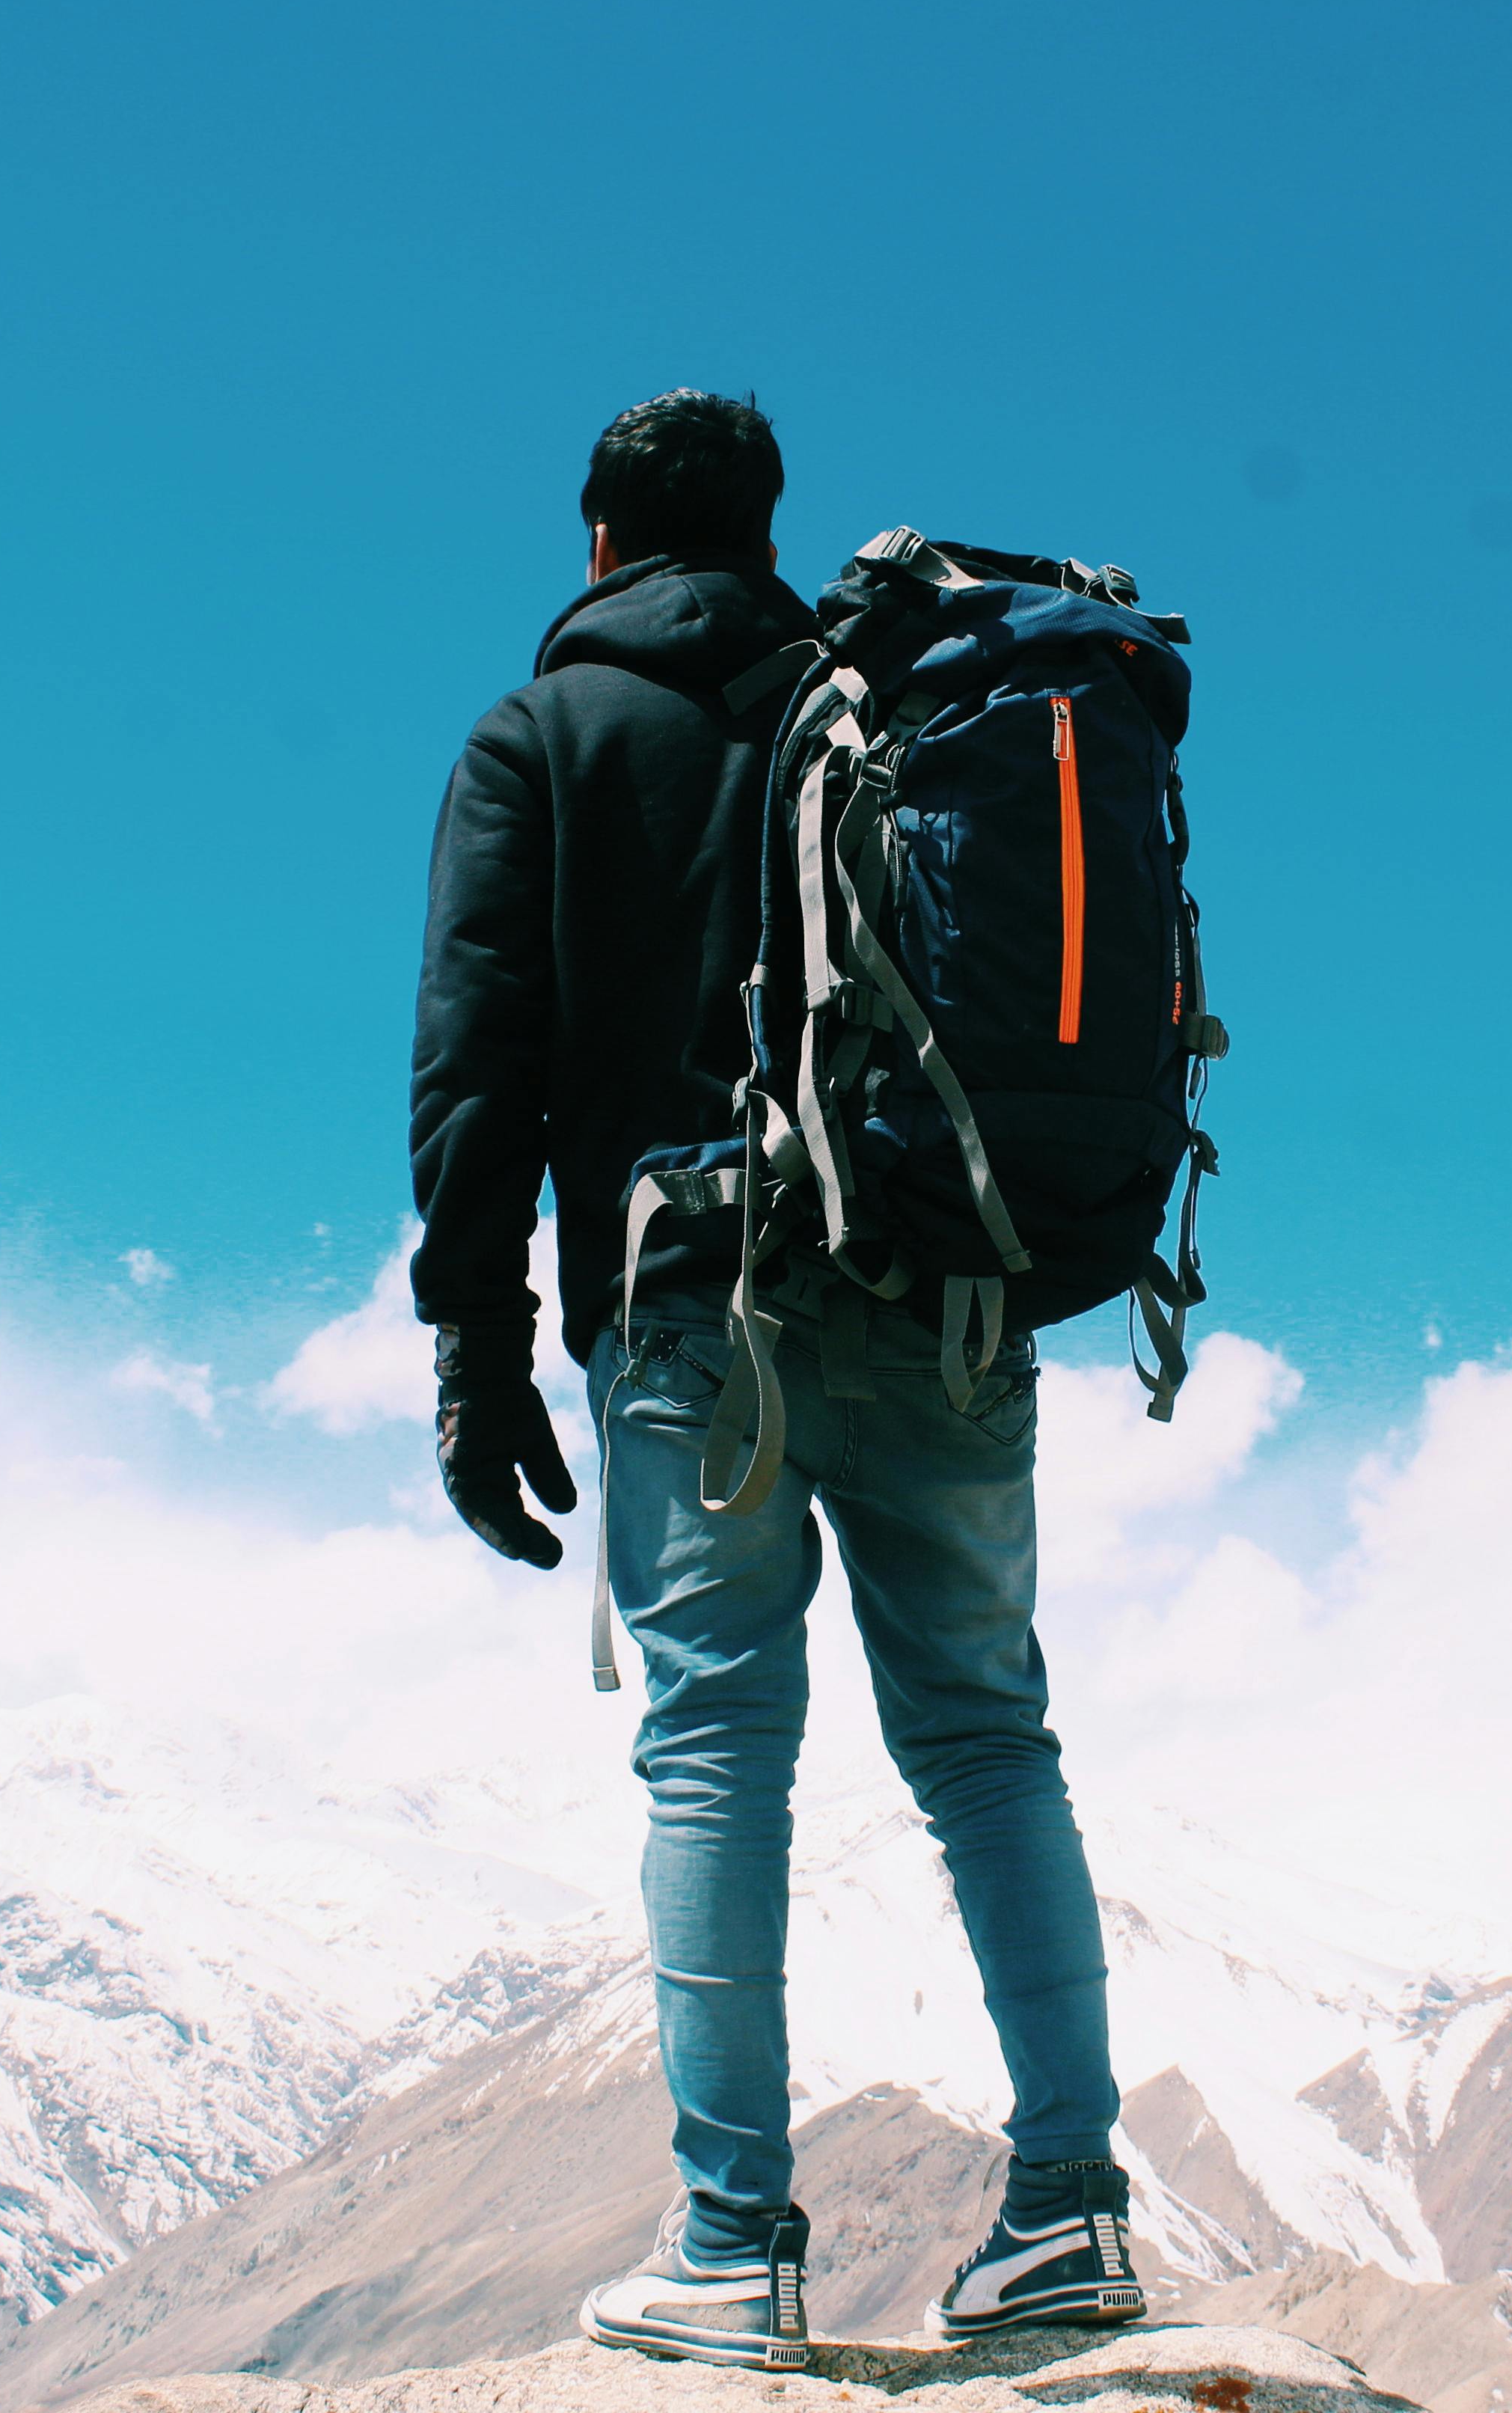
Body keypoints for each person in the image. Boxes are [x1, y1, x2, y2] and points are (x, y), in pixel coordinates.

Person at [410, 391, 1141, 2372]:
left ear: (596, 543)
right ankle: (1072, 2213)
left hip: (696, 1305)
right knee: (990, 1735)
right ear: (760, 528)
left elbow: (482, 1062)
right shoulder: (894, 699)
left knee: (721, 1740)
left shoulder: (546, 735)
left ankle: (736, 2243)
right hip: (943, 1292)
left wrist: (481, 1354)